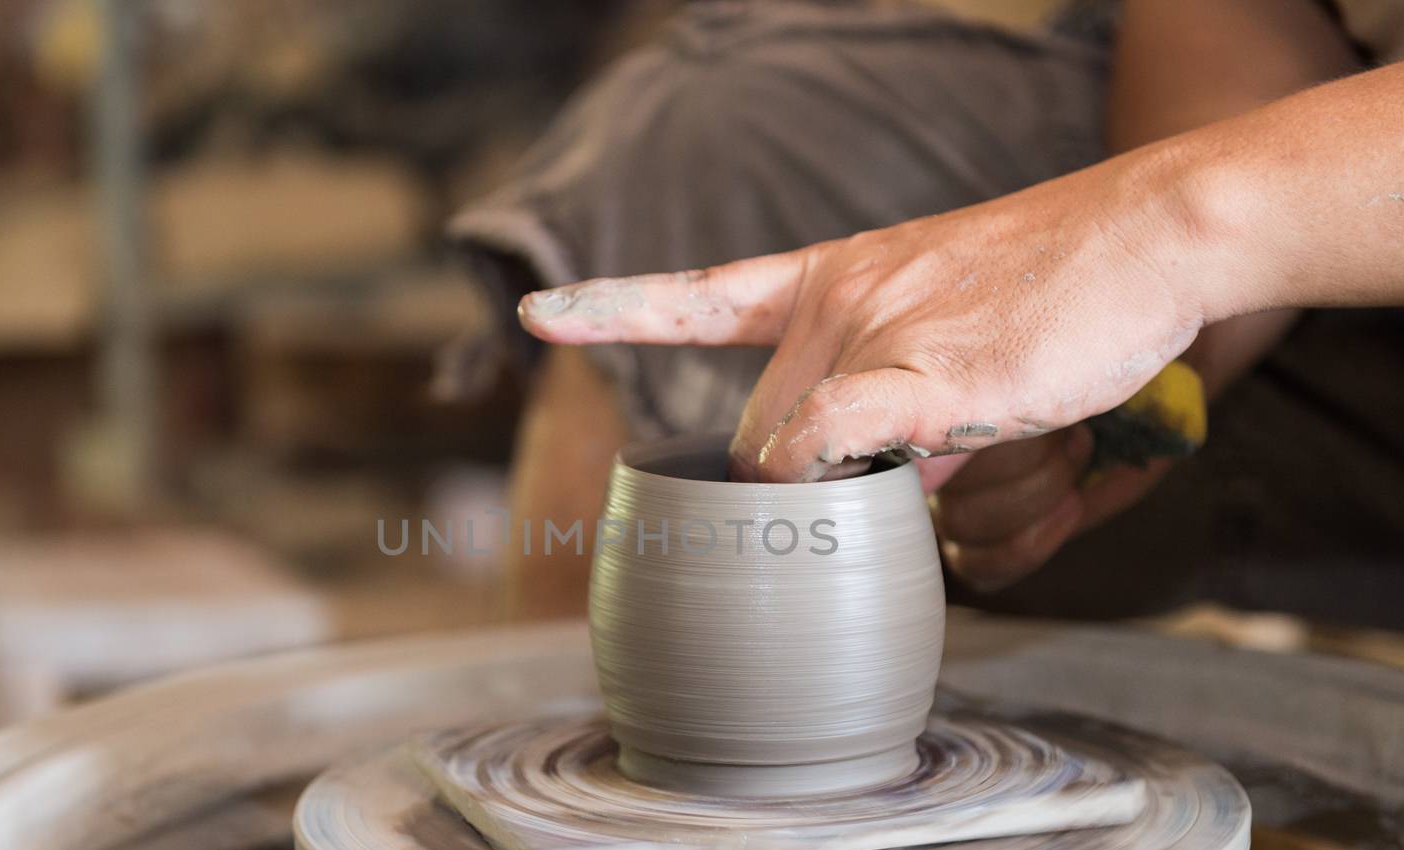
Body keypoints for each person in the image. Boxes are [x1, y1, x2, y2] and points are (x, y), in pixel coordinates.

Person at [444, 0, 1404, 627]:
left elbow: (1182, 222)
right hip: (1306, 248)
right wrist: (1157, 376)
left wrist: (1163, 234)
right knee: (719, 144)